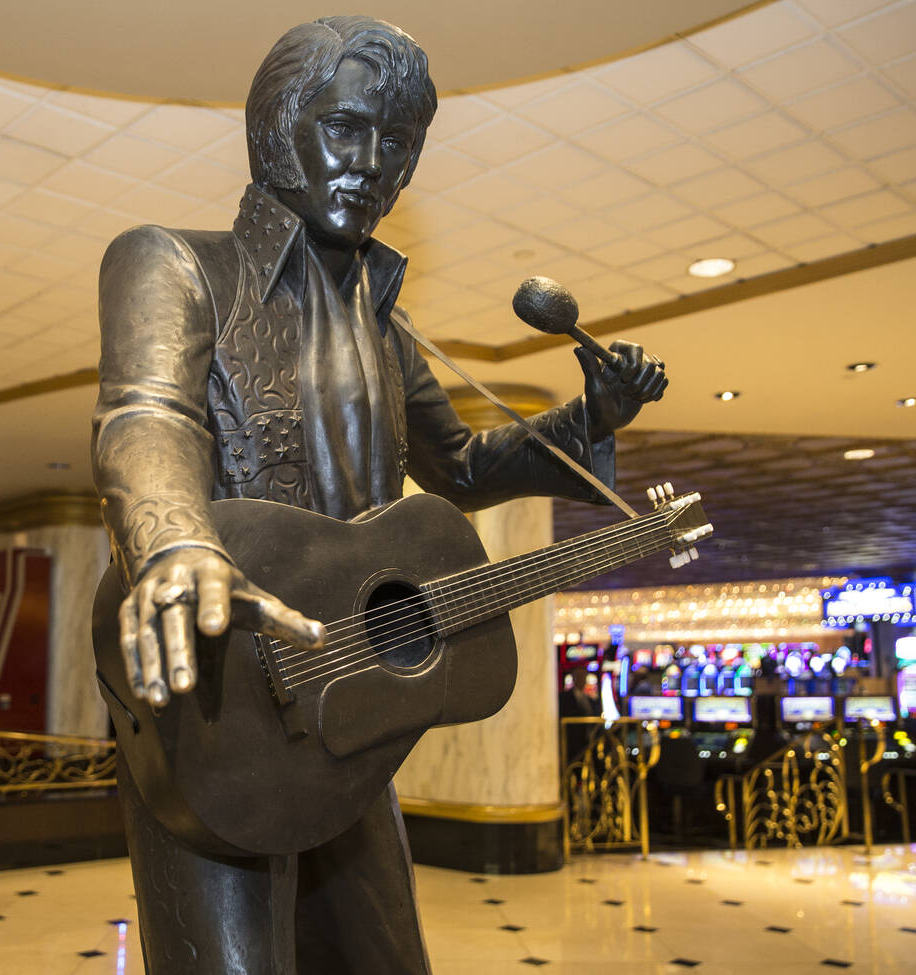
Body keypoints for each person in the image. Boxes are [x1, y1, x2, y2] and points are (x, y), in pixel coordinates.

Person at [91, 16, 667, 974]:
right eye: (346, 128)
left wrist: (586, 420)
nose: (371, 162)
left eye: (396, 143)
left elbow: (466, 469)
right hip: (220, 708)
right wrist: (173, 542)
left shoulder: (387, 330)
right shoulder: (175, 263)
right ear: (280, 127)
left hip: (351, 717)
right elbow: (145, 417)